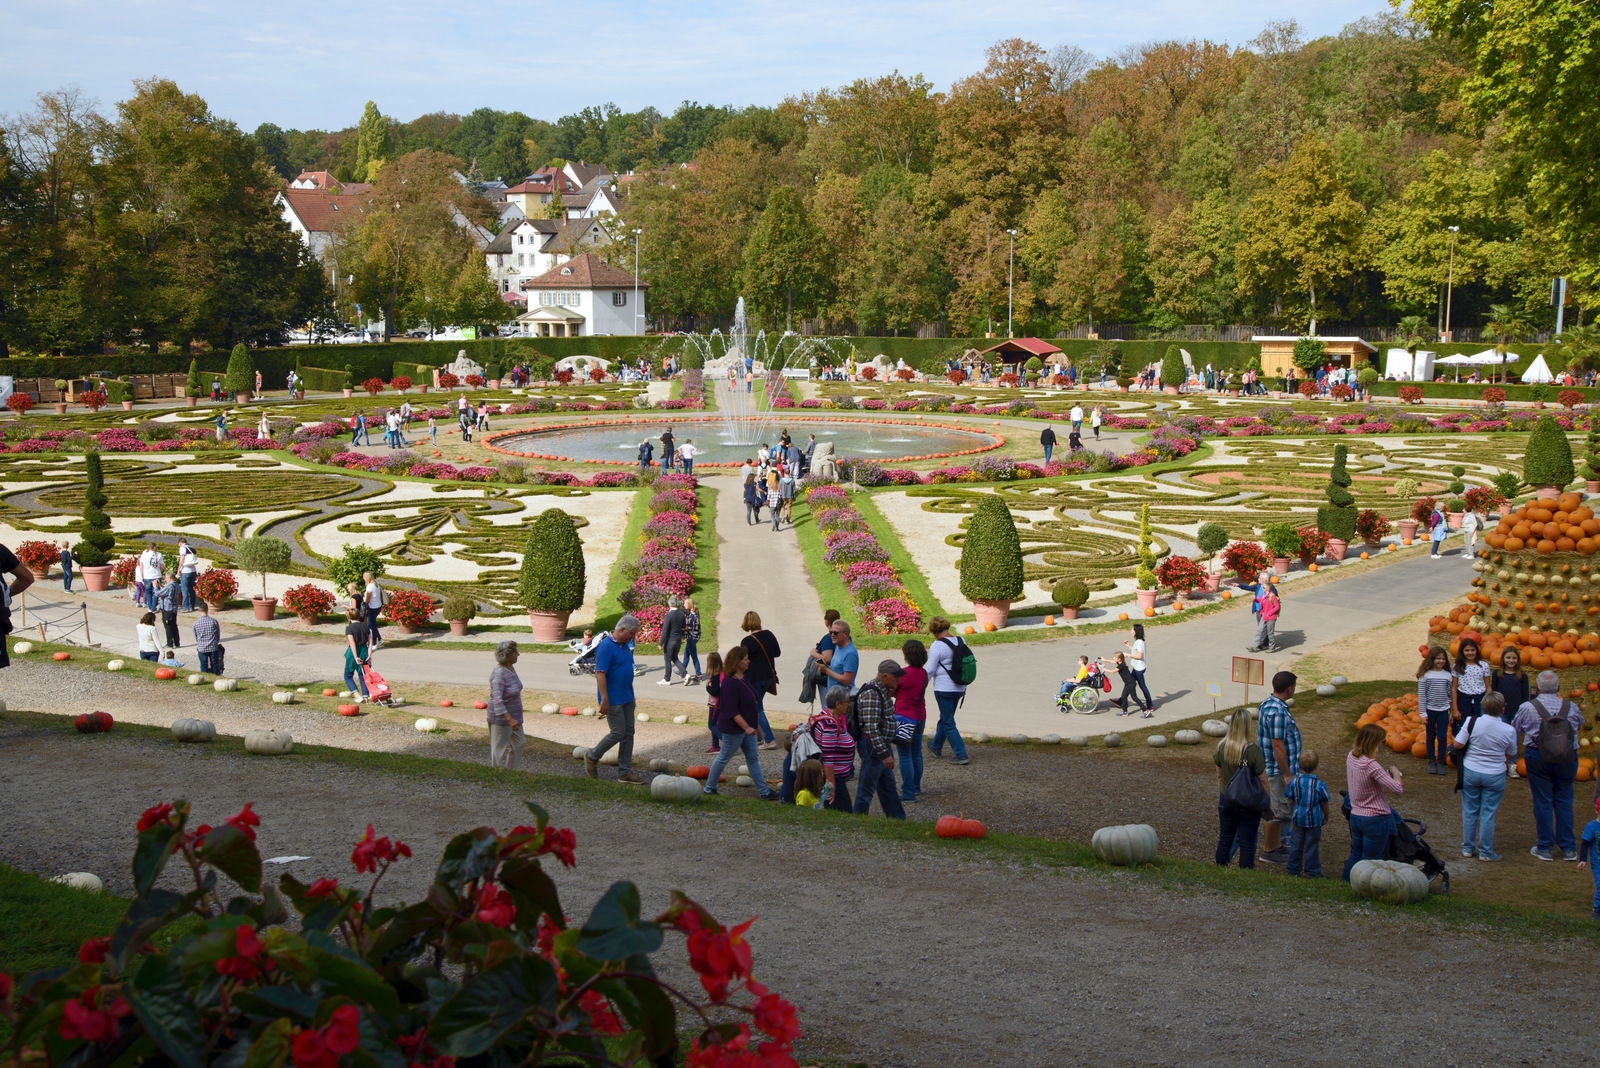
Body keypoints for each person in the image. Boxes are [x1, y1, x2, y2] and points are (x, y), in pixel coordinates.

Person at [1513, 669, 1584, 861]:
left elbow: (1515, 729)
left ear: (1536, 688)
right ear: (1559, 687)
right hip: (1567, 758)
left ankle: (1545, 848)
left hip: (1537, 757)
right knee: (1564, 800)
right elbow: (1579, 724)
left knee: (1542, 800)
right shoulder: (1571, 706)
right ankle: (1569, 848)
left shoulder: (1528, 707)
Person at [703, 645, 779, 799]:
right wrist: (746, 727)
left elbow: (752, 698)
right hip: (735, 729)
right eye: (745, 659)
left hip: (748, 727)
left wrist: (753, 720)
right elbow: (732, 711)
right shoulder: (730, 683)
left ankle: (764, 792)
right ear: (737, 662)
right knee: (724, 756)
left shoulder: (743, 678)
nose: (749, 661)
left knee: (752, 758)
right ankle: (709, 788)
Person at [1455, 691, 1517, 861]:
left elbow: (1457, 744)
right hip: (1495, 774)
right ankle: (1485, 852)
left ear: (1483, 706)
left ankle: (1467, 848)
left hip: (1471, 771)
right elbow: (1511, 755)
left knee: (1469, 810)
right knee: (1488, 813)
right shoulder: (1509, 730)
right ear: (1503, 710)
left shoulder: (1471, 722)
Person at [586, 614, 647, 785]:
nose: (633, 637)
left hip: (627, 696)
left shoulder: (624, 645)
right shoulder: (606, 646)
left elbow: (625, 670)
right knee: (618, 733)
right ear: (621, 630)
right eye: (632, 633)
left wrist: (631, 692)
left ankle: (625, 772)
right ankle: (592, 756)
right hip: (613, 699)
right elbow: (600, 673)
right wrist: (604, 699)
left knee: (629, 734)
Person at [1343, 723, 1405, 880]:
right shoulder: (1371, 765)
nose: (1383, 745)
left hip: (1356, 815)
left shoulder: (1352, 756)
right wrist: (1396, 774)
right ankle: (1364, 888)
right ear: (1375, 743)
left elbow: (1368, 779)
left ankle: (1346, 882)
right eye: (1383, 742)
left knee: (1356, 855)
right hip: (1375, 819)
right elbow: (1397, 789)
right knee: (1371, 860)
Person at [852, 660, 907, 819]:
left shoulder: (882, 690)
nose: (898, 681)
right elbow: (871, 727)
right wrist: (884, 754)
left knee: (888, 785)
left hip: (880, 745)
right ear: (884, 676)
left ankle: (897, 818)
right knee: (867, 786)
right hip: (873, 746)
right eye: (895, 678)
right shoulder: (872, 694)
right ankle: (858, 818)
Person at [1256, 670, 1301, 864]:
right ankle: (1269, 851)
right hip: (1276, 770)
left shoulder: (1268, 704)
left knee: (1277, 809)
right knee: (1275, 811)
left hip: (1274, 769)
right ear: (1289, 688)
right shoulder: (1277, 712)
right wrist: (1287, 774)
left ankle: (1277, 846)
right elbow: (1277, 745)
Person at [1213, 709, 1267, 868]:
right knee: (1247, 842)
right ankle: (1245, 873)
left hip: (1227, 799)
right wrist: (1266, 802)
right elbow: (1263, 779)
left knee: (1225, 838)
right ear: (1246, 726)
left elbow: (1219, 776)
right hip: (1247, 801)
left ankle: (1219, 868)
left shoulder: (1221, 746)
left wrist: (1224, 794)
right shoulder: (1252, 750)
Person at [926, 617, 970, 765]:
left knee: (948, 721)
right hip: (959, 686)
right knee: (946, 717)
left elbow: (930, 669)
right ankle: (935, 746)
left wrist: (922, 685)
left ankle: (961, 754)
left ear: (935, 631)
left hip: (943, 688)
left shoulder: (937, 645)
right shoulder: (960, 640)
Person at [1285, 751, 1330, 878]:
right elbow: (1324, 803)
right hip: (1314, 821)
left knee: (1296, 845)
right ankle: (1313, 871)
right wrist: (1326, 816)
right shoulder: (1319, 785)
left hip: (1298, 819)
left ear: (1299, 765)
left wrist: (1292, 813)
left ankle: (1293, 869)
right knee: (1312, 847)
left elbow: (1291, 800)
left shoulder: (1294, 783)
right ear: (1316, 766)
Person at [740, 611, 781, 748]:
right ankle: (757, 736)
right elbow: (777, 653)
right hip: (769, 677)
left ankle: (769, 739)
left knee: (757, 708)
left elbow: (741, 660)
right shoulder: (769, 634)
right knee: (755, 706)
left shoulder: (747, 641)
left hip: (754, 679)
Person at [894, 639, 929, 802]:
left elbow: (893, 690)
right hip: (920, 716)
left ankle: (908, 792)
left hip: (903, 717)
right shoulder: (924, 673)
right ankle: (916, 786)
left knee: (904, 755)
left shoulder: (903, 673)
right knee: (916, 753)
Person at [488, 641, 525, 769]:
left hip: (515, 717)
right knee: (498, 749)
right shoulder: (499, 674)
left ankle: (511, 772)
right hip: (502, 717)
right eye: (516, 652)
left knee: (519, 743)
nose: (518, 654)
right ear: (508, 655)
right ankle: (495, 774)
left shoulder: (510, 668)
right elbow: (497, 699)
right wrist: (509, 719)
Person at [1417, 647, 1454, 774]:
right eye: (1438, 658)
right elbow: (1422, 695)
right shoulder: (1425, 676)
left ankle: (1440, 761)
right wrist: (1423, 713)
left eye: (1443, 659)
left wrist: (1451, 711)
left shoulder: (1448, 675)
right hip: (1430, 710)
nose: (1441, 661)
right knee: (1430, 736)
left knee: (1442, 737)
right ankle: (1431, 761)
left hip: (1443, 710)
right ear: (1432, 659)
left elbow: (1449, 694)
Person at [813, 618, 859, 695]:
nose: (832, 635)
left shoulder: (850, 653)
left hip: (842, 697)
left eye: (836, 633)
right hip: (833, 694)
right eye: (831, 632)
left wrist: (826, 670)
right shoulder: (838, 646)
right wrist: (825, 665)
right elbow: (838, 669)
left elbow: (847, 680)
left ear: (846, 634)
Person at [1453, 636, 1491, 726]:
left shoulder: (1483, 665)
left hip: (1480, 700)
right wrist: (1455, 708)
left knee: (1479, 726)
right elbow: (1454, 688)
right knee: (1464, 726)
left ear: (1476, 651)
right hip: (1464, 700)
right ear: (1462, 652)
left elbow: (1488, 687)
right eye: (1467, 650)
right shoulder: (1457, 666)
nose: (1470, 653)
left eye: (1472, 650)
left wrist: (1489, 705)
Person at [1122, 623, 1154, 714]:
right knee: (1129, 683)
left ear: (1136, 632)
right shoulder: (1140, 641)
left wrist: (1127, 655)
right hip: (1137, 667)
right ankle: (1121, 700)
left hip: (1138, 669)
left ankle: (1150, 705)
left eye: (1132, 630)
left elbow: (1139, 656)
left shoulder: (1139, 642)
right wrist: (1129, 646)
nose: (1131, 631)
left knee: (1141, 686)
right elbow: (1137, 651)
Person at [343, 610, 371, 700]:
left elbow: (352, 643)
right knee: (363, 675)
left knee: (348, 675)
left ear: (349, 617)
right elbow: (370, 642)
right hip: (364, 651)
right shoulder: (366, 627)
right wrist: (369, 655)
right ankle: (365, 697)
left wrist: (355, 656)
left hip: (353, 653)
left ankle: (356, 695)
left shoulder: (349, 628)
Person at [658, 596, 687, 685]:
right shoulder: (681, 614)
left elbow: (665, 630)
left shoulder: (668, 615)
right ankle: (686, 674)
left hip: (670, 640)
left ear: (669, 604)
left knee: (667, 659)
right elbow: (683, 627)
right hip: (678, 639)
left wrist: (661, 643)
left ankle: (667, 679)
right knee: (675, 658)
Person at [1247, 582, 1281, 653]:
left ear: (1267, 589)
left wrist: (1269, 613)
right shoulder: (1263, 595)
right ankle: (1254, 646)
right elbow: (1259, 600)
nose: (1262, 588)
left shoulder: (1272, 596)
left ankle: (1271, 647)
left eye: (1263, 587)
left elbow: (1277, 607)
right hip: (1264, 615)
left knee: (1270, 632)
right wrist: (1255, 599)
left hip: (1271, 617)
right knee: (1259, 631)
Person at [677, 596, 702, 683]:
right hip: (694, 637)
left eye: (685, 604)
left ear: (689, 605)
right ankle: (682, 672)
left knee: (694, 656)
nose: (684, 605)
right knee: (686, 654)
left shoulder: (691, 615)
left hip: (692, 638)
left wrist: (681, 628)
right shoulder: (695, 614)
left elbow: (689, 627)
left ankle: (698, 674)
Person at [703, 650, 724, 754]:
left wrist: (707, 687)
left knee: (711, 725)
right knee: (715, 724)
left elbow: (715, 692)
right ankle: (715, 746)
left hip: (715, 705)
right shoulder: (722, 673)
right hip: (721, 703)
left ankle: (725, 742)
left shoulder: (715, 677)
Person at [192, 601, 221, 674]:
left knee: (203, 665)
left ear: (199, 610)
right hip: (213, 647)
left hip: (202, 648)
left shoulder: (195, 623)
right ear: (207, 610)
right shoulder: (214, 621)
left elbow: (196, 636)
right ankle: (215, 677)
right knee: (214, 664)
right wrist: (216, 642)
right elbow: (217, 634)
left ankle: (204, 678)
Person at [156, 571, 181, 649]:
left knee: (168, 625)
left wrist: (155, 587)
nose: (165, 579)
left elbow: (158, 594)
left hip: (167, 608)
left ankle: (170, 643)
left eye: (166, 578)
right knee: (174, 625)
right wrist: (160, 585)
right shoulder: (177, 585)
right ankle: (177, 642)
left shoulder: (170, 586)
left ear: (169, 578)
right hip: (174, 608)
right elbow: (166, 591)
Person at [363, 572, 385, 647]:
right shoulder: (376, 583)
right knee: (371, 624)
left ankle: (374, 643)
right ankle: (380, 639)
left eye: (364, 577)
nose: (363, 578)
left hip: (372, 608)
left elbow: (368, 599)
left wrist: (364, 606)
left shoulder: (369, 586)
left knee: (372, 625)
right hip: (378, 606)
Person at [139, 542, 163, 611]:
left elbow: (141, 567)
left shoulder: (144, 555)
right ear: (154, 547)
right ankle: (153, 608)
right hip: (156, 575)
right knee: (156, 592)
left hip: (147, 576)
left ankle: (150, 607)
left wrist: (142, 576)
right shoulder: (158, 555)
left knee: (148, 592)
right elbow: (162, 566)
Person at [176, 537, 198, 611]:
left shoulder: (182, 548)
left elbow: (182, 559)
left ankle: (185, 607)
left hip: (186, 570)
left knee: (184, 589)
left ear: (180, 543)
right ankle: (192, 606)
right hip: (193, 570)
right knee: (192, 589)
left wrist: (179, 569)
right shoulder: (192, 548)